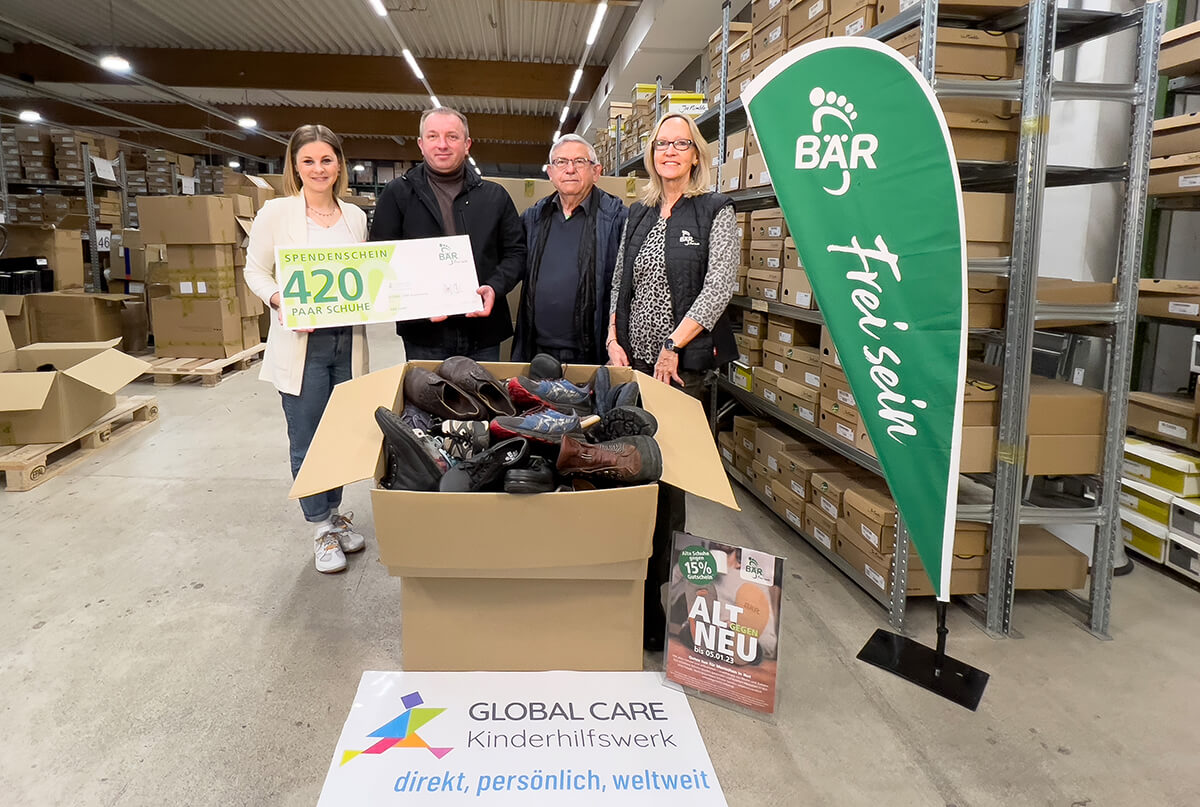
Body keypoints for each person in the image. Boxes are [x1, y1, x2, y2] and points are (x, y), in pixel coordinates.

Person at [605, 112, 740, 650]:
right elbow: (620, 280)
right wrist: (613, 337)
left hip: (681, 370)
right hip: (633, 363)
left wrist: (672, 345)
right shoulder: (638, 213)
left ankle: (661, 605)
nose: (669, 152)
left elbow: (720, 284)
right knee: (629, 474)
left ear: (695, 155)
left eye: (680, 144)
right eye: (661, 144)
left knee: (669, 486)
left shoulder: (715, 211)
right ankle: (627, 595)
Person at [244, 124, 370, 575]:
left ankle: (334, 513)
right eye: (309, 161)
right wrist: (280, 299)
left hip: (346, 340)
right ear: (294, 167)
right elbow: (256, 272)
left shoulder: (355, 217)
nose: (319, 169)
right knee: (307, 436)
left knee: (340, 433)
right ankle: (319, 529)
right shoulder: (276, 214)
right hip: (303, 342)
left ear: (340, 164)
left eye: (327, 160)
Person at [370, 107, 526, 361]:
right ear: (421, 144)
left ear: (467, 145)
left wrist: (494, 287)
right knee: (428, 399)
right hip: (424, 334)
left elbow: (516, 253)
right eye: (433, 136)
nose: (442, 144)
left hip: (484, 332)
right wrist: (419, 303)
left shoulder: (495, 196)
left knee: (483, 400)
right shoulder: (397, 195)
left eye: (452, 137)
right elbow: (381, 260)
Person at [512, 134, 628, 364]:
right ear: (551, 173)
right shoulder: (533, 218)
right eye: (561, 162)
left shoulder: (617, 218)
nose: (570, 169)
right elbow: (510, 262)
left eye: (579, 162)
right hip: (538, 350)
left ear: (596, 172)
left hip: (593, 351)